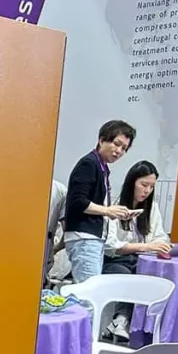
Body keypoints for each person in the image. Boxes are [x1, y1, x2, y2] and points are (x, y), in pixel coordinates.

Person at [102, 160, 171, 338]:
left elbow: (159, 235)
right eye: (144, 185)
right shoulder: (115, 206)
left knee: (153, 275)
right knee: (130, 277)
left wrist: (161, 245)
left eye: (151, 187)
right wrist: (146, 246)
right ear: (132, 182)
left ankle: (129, 325)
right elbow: (111, 246)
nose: (147, 191)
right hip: (114, 260)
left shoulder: (151, 208)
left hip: (140, 259)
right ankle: (122, 320)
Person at [64, 120, 138, 282]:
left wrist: (115, 212)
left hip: (94, 237)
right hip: (84, 237)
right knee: (88, 291)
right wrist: (107, 210)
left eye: (124, 148)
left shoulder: (101, 166)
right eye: (116, 144)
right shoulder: (89, 164)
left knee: (90, 289)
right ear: (102, 140)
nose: (119, 151)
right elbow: (77, 201)